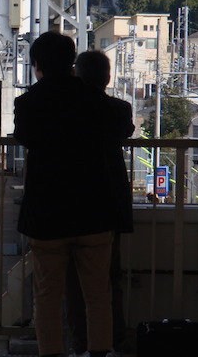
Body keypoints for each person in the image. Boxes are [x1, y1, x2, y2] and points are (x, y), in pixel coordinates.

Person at [13, 32, 118, 357]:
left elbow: (25, 138)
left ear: (37, 65)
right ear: (72, 62)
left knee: (46, 294)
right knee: (98, 292)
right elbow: (118, 127)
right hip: (94, 210)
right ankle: (99, 352)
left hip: (47, 214)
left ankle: (51, 353)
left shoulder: (27, 103)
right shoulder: (96, 101)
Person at [65, 50, 135, 357]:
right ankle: (110, 344)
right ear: (107, 77)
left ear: (76, 75)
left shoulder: (64, 108)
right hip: (108, 204)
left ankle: (79, 343)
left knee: (73, 282)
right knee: (109, 279)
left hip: (68, 204)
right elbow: (124, 133)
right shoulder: (120, 109)